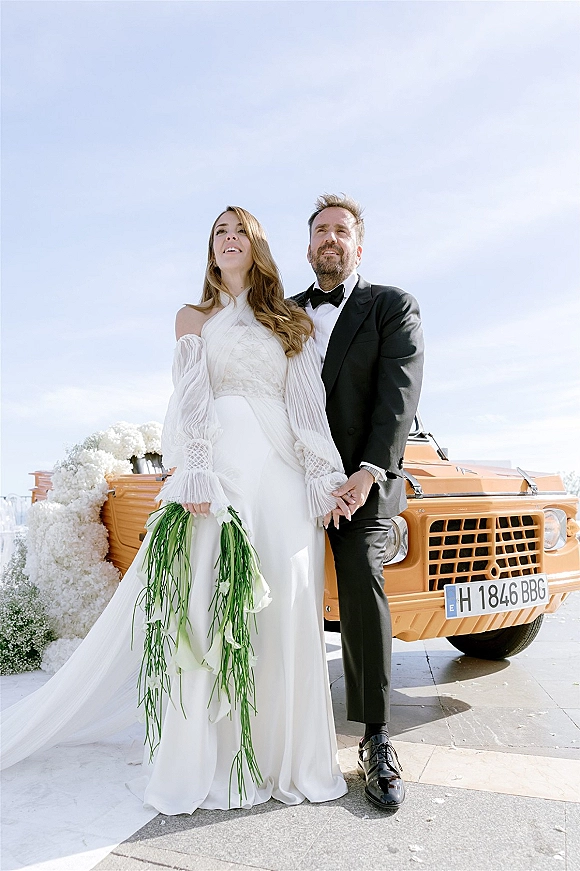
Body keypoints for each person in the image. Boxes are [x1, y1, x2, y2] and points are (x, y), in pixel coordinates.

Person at [1, 206, 350, 814]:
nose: (230, 239)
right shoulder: (194, 318)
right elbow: (191, 398)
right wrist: (194, 470)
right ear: (211, 250)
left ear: (258, 246)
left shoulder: (291, 321)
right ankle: (215, 764)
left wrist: (326, 480)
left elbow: (306, 407)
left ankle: (285, 760)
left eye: (241, 231)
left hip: (284, 481)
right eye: (221, 232)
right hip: (220, 476)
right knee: (211, 605)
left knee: (288, 606)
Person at [292, 193, 424, 811]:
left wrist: (366, 474)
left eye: (342, 231)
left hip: (361, 483)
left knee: (362, 584)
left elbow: (398, 396)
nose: (330, 240)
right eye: (321, 230)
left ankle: (375, 736)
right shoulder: (281, 313)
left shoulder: (391, 306)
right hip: (287, 482)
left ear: (358, 245)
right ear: (308, 243)